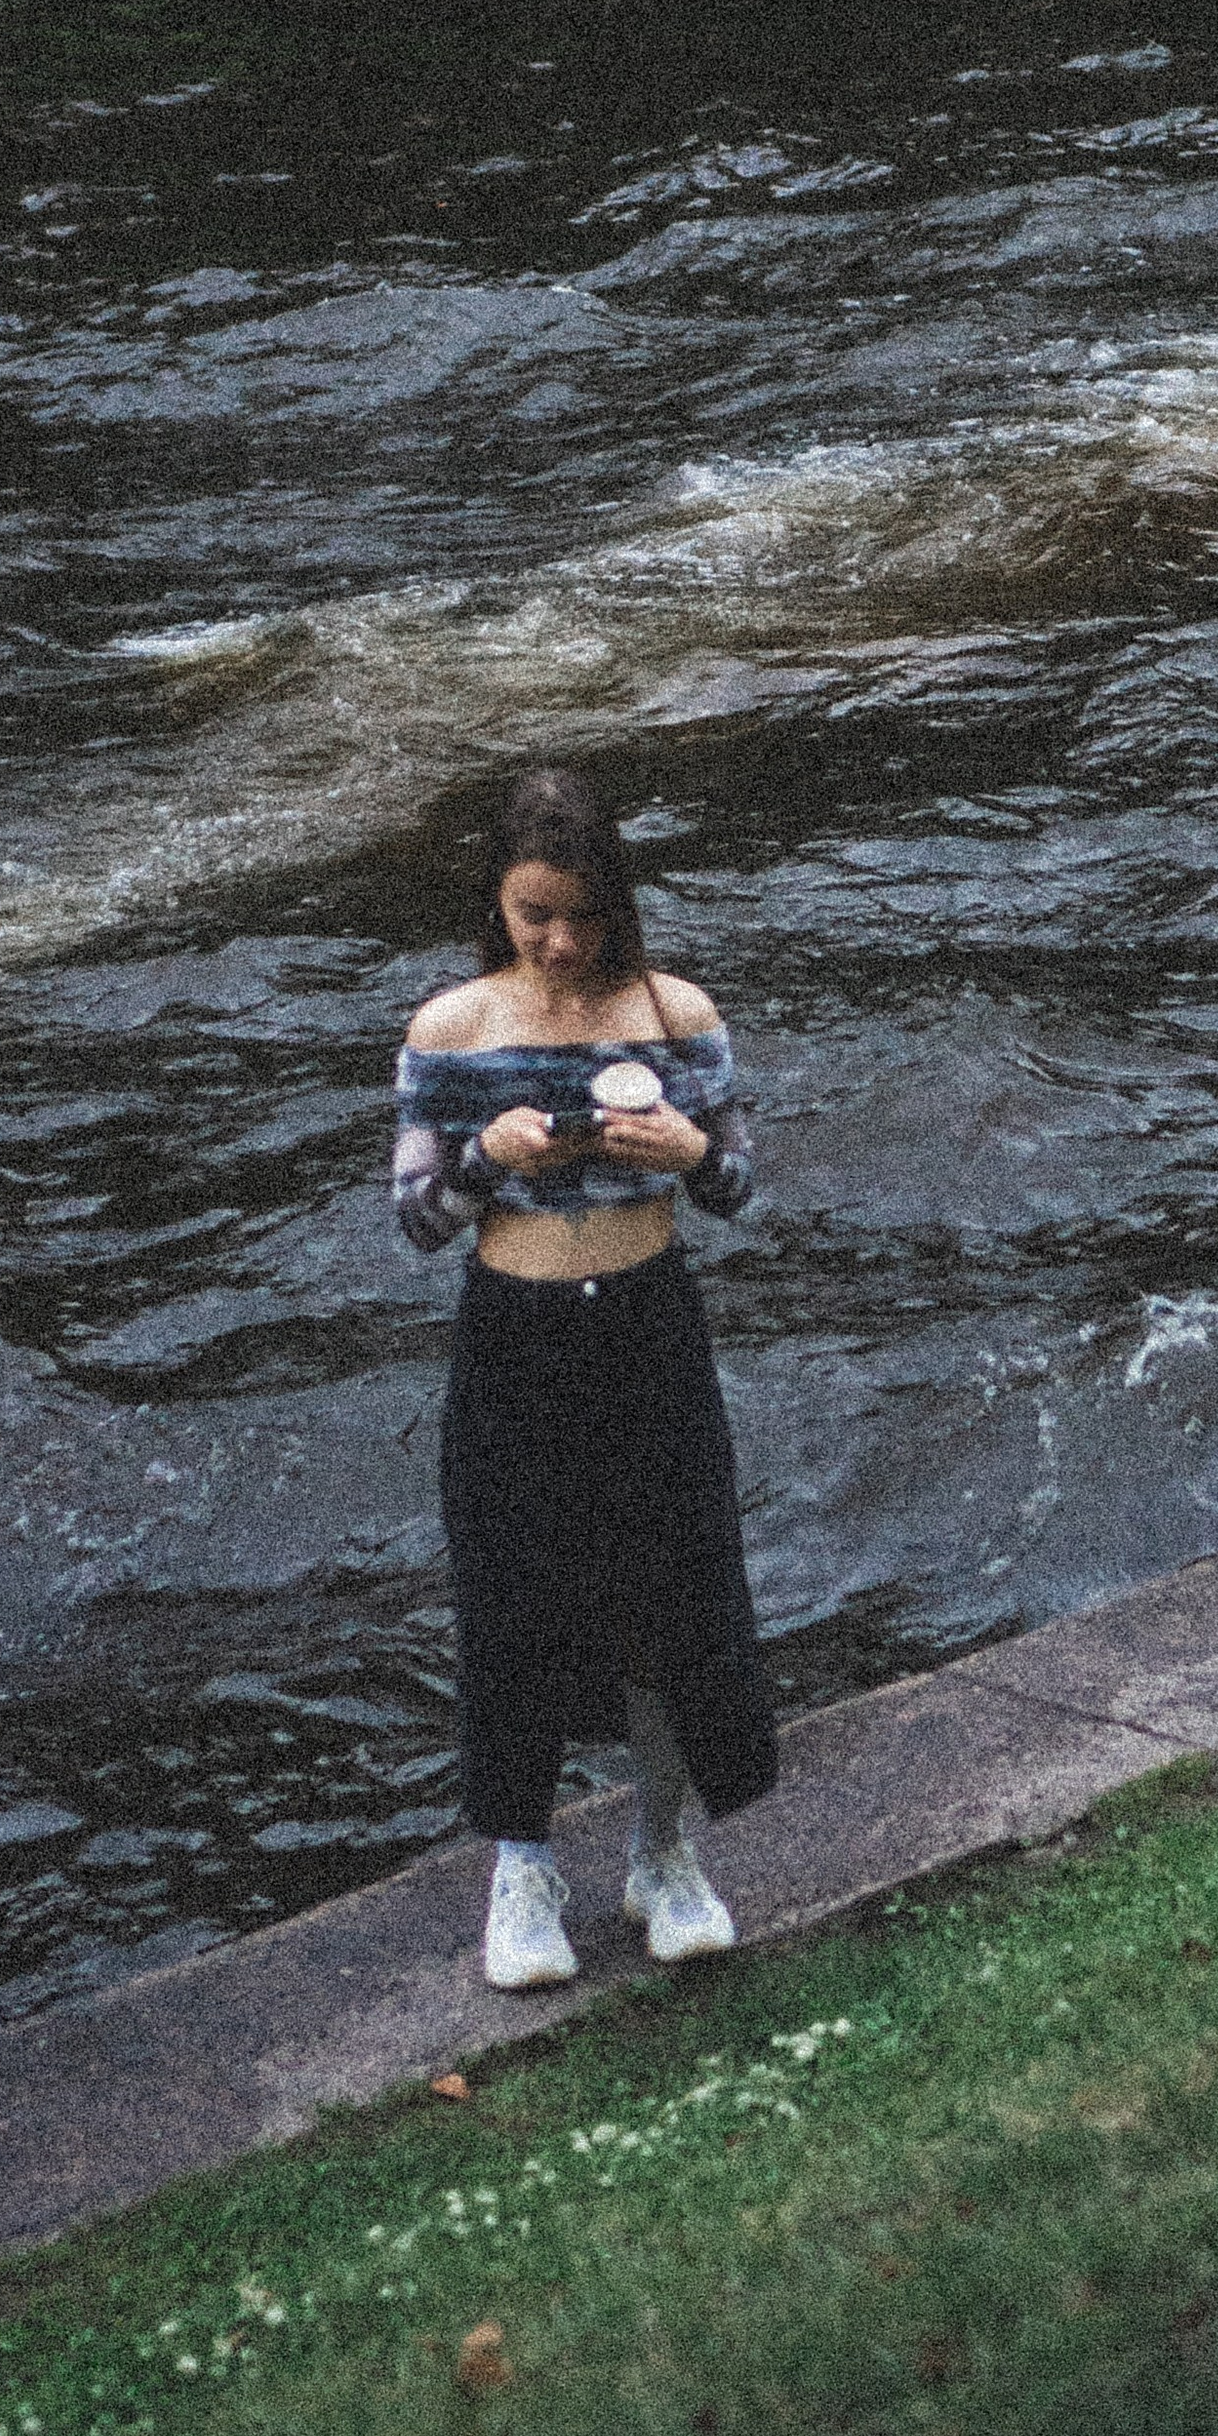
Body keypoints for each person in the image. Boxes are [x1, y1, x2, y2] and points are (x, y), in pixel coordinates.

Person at [391, 765, 775, 1989]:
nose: (562, 942)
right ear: (496, 905)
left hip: (648, 1327)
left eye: (586, 915)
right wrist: (483, 1161)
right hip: (517, 1335)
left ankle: (662, 1852)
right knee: (514, 1601)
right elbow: (417, 1220)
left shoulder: (676, 1013)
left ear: (620, 901)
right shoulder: (451, 1030)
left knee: (668, 1598)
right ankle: (522, 1870)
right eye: (534, 915)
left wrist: (692, 1149)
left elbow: (737, 1187)